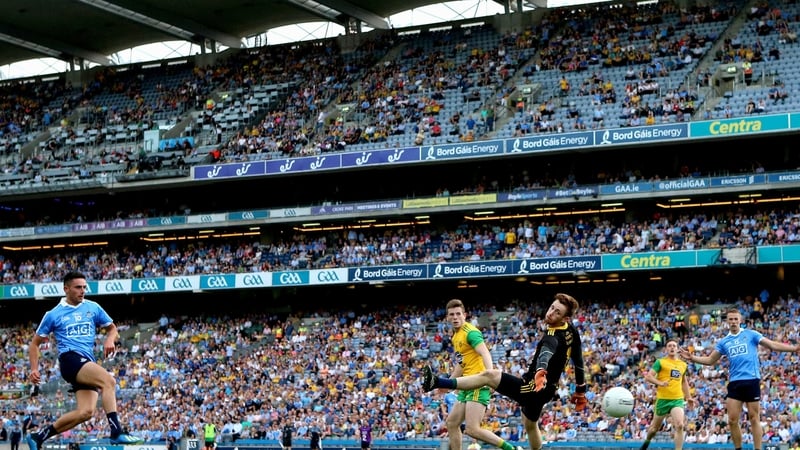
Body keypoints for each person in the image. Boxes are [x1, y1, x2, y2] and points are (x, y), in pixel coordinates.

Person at [422, 293, 588, 450]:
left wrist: (540, 372)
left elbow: (546, 352)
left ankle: (436, 381)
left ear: (565, 318)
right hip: (547, 388)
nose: (551, 313)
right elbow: (578, 360)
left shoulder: (551, 336)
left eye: (557, 312)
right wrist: (580, 388)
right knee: (530, 424)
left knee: (490, 376)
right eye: (552, 307)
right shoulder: (570, 330)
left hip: (533, 386)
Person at [25, 271, 142, 450]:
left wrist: (110, 339)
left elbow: (112, 328)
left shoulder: (92, 307)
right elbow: (35, 344)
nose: (83, 291)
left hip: (87, 361)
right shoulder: (53, 314)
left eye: (84, 287)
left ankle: (39, 436)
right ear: (66, 289)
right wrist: (34, 369)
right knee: (108, 381)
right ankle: (117, 432)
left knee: (85, 412)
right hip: (70, 359)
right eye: (78, 287)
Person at [680, 307, 800, 450]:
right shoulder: (724, 342)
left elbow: (772, 345)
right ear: (727, 321)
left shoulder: (751, 334)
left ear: (740, 320)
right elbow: (711, 360)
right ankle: (738, 448)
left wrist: (794, 348)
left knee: (754, 418)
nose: (733, 321)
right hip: (735, 382)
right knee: (731, 420)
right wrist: (692, 358)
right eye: (730, 319)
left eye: (735, 319)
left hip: (751, 380)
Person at [439, 298, 518, 450]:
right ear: (448, 317)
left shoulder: (471, 333)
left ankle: (511, 449)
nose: (455, 317)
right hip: (467, 384)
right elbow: (462, 364)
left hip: (479, 383)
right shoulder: (456, 336)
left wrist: (490, 376)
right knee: (451, 423)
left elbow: (485, 353)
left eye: (458, 314)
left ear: (464, 315)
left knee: (472, 429)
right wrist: (447, 384)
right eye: (452, 315)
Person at [640, 339, 696, 450]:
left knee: (680, 425)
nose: (672, 348)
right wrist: (660, 383)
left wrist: (689, 397)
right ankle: (647, 441)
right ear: (666, 349)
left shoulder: (683, 364)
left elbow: (684, 381)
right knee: (654, 429)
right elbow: (649, 376)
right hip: (663, 400)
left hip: (677, 399)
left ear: (677, 349)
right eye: (669, 346)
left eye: (674, 346)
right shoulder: (660, 362)